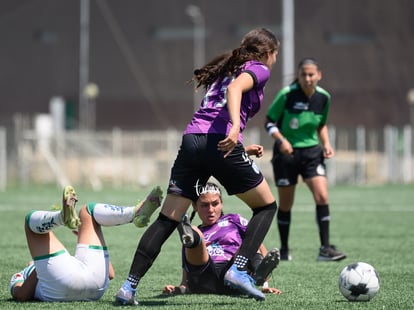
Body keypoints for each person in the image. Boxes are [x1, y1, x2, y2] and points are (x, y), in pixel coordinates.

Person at [115, 27, 280, 305]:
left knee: (168, 219)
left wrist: (240, 143)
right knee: (266, 207)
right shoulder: (258, 68)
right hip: (218, 144)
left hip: (193, 141)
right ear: (267, 53)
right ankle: (239, 269)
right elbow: (235, 90)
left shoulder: (227, 67)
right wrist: (235, 129)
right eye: (276, 54)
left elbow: (215, 111)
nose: (275, 59)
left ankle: (128, 287)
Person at [9, 185, 162, 302]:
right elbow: (21, 295)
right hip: (83, 285)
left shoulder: (61, 264)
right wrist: (38, 267)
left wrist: (84, 235)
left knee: (86, 212)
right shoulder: (22, 274)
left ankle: (135, 213)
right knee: (31, 222)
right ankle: (62, 218)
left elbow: (110, 274)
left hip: (90, 287)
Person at [264, 57, 346, 262]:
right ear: (299, 76)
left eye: (311, 74)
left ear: (319, 75)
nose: (308, 78)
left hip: (311, 153)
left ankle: (325, 248)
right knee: (286, 204)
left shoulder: (323, 98)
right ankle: (284, 250)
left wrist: (326, 143)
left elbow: (321, 125)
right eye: (304, 74)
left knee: (322, 197)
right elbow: (269, 122)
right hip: (286, 156)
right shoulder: (287, 94)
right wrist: (281, 140)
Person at [162, 182, 281, 297]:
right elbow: (186, 278)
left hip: (234, 275)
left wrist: (265, 285)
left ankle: (257, 275)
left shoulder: (234, 220)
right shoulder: (191, 234)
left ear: (221, 203)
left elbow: (259, 246)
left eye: (215, 204)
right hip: (204, 279)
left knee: (249, 246)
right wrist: (180, 288)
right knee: (193, 233)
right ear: (194, 206)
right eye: (204, 205)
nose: (210, 210)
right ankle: (190, 234)